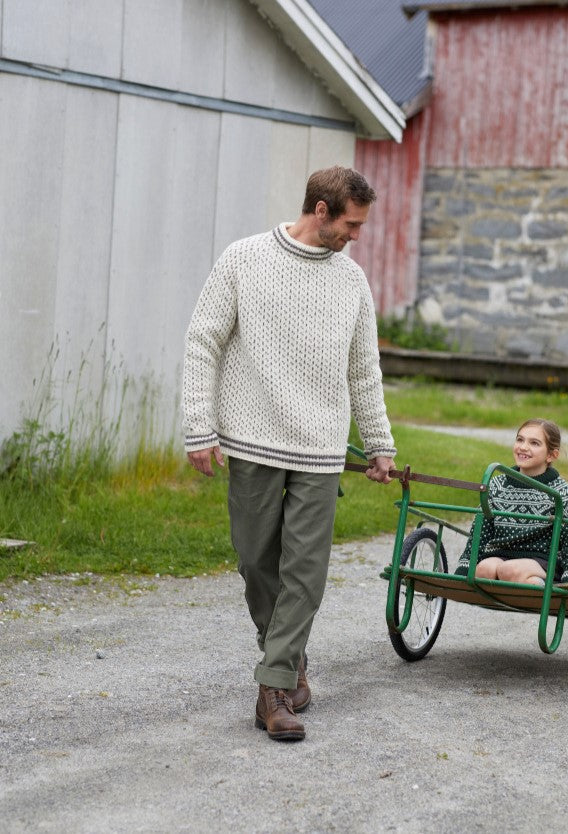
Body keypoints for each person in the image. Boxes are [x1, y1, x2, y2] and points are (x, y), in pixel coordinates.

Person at [182, 166, 396, 742]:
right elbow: (204, 341)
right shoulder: (243, 259)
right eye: (351, 223)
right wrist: (199, 427)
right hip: (252, 436)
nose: (356, 235)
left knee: (305, 568)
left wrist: (379, 444)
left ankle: (273, 688)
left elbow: (363, 371)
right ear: (321, 210)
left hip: (322, 447)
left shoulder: (352, 282)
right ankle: (289, 657)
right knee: (256, 560)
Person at [455, 418, 568, 590]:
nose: (523, 447)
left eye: (534, 443)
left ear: (551, 455)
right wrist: (466, 564)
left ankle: (545, 587)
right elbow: (481, 529)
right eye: (520, 439)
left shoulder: (559, 490)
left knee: (510, 570)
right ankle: (521, 585)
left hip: (541, 560)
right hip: (502, 553)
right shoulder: (498, 484)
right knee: (483, 569)